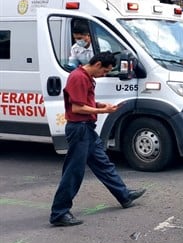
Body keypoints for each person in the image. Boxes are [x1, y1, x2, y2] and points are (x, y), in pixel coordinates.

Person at [49, 52, 146, 227]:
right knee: (74, 171)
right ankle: (59, 212)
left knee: (103, 163)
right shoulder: (78, 77)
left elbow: (85, 101)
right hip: (79, 128)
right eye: (104, 71)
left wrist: (102, 105)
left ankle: (123, 195)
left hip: (86, 128)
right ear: (98, 64)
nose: (104, 75)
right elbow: (77, 108)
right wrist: (103, 111)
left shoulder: (85, 77)